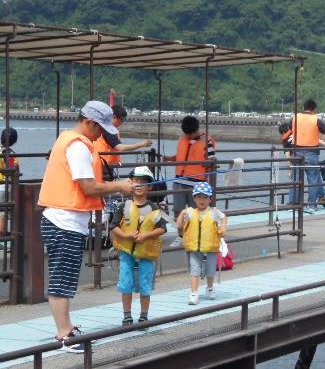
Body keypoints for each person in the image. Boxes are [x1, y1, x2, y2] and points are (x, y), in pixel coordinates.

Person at [38, 101, 134, 353]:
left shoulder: (67, 139)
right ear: (89, 122)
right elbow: (89, 186)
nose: (101, 134)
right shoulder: (78, 146)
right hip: (64, 221)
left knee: (66, 279)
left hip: (63, 219)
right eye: (100, 129)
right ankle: (64, 335)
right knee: (62, 280)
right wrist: (120, 186)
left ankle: (66, 327)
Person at [110, 166, 167, 325]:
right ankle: (127, 315)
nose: (139, 185)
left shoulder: (155, 208)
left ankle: (144, 315)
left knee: (145, 285)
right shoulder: (123, 206)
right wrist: (126, 235)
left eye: (143, 182)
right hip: (126, 253)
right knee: (125, 284)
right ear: (131, 184)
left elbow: (162, 228)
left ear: (150, 186)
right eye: (136, 181)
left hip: (146, 254)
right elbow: (113, 226)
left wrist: (146, 235)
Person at [176, 182, 227, 305]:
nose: (202, 200)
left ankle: (210, 288)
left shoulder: (214, 212)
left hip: (210, 247)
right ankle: (194, 293)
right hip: (194, 248)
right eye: (198, 197)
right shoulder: (189, 212)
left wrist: (223, 227)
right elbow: (179, 225)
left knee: (210, 270)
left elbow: (224, 217)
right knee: (195, 270)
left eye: (205, 197)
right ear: (194, 198)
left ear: (210, 199)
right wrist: (182, 214)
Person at [164, 116, 216, 219]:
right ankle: (181, 233)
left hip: (197, 183)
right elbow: (181, 157)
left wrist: (209, 162)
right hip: (179, 182)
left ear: (196, 130)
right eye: (186, 133)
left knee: (196, 212)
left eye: (189, 134)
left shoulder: (207, 141)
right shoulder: (183, 138)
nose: (187, 136)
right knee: (178, 210)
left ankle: (194, 232)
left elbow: (212, 160)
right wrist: (169, 158)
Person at [289, 99, 325, 213]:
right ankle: (311, 206)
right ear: (314, 109)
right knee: (313, 180)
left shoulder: (295, 117)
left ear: (304, 107)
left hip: (297, 151)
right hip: (311, 152)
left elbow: (289, 128)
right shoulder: (316, 119)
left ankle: (294, 204)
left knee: (296, 178)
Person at [0, 127, 18, 236]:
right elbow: (12, 168)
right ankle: (2, 233)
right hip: (4, 185)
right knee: (3, 211)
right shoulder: (8, 153)